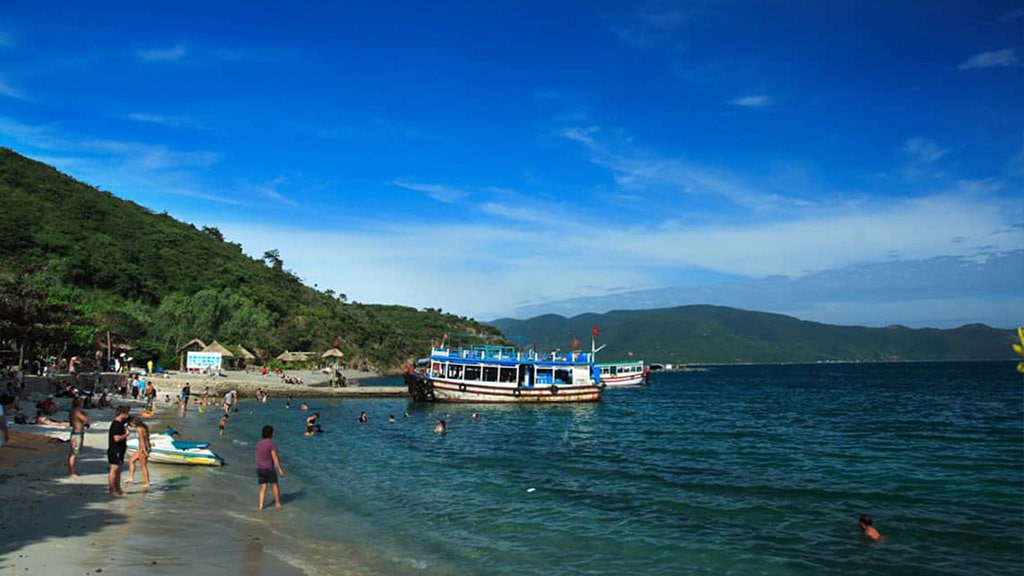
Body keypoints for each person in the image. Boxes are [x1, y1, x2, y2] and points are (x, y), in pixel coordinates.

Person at [255, 425, 285, 510]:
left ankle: (261, 506)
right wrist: (280, 469)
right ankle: (278, 504)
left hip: (259, 468)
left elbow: (258, 456)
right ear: (271, 434)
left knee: (263, 487)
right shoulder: (271, 443)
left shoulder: (259, 443)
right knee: (274, 485)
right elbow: (274, 457)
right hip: (269, 468)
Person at [107, 406, 131, 497]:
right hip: (115, 450)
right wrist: (126, 434)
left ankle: (118, 489)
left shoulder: (121, 423)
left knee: (119, 470)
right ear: (122, 413)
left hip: (120, 450)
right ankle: (112, 490)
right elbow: (116, 438)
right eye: (127, 413)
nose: (128, 415)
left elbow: (131, 420)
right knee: (114, 469)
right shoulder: (116, 424)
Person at [126, 417, 151, 488]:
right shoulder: (144, 427)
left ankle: (147, 483)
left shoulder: (139, 429)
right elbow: (147, 438)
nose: (131, 426)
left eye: (130, 424)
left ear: (133, 423)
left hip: (142, 449)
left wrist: (144, 451)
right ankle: (131, 478)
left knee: (143, 466)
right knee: (131, 460)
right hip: (144, 448)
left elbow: (142, 440)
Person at [67, 397, 89, 477]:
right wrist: (85, 414)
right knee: (74, 453)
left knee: (74, 452)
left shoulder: (73, 411)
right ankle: (71, 472)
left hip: (77, 432)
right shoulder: (77, 411)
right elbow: (85, 419)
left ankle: (72, 471)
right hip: (77, 433)